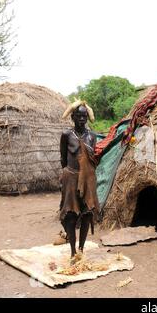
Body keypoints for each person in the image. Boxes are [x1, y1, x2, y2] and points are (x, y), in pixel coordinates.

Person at [57, 99, 100, 262]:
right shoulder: (67, 135)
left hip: (88, 179)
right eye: (78, 116)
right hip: (71, 177)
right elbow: (63, 158)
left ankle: (81, 249)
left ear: (87, 118)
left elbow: (93, 157)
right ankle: (73, 251)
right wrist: (68, 177)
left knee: (87, 213)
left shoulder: (92, 136)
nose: (82, 119)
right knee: (70, 214)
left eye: (84, 116)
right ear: (73, 117)